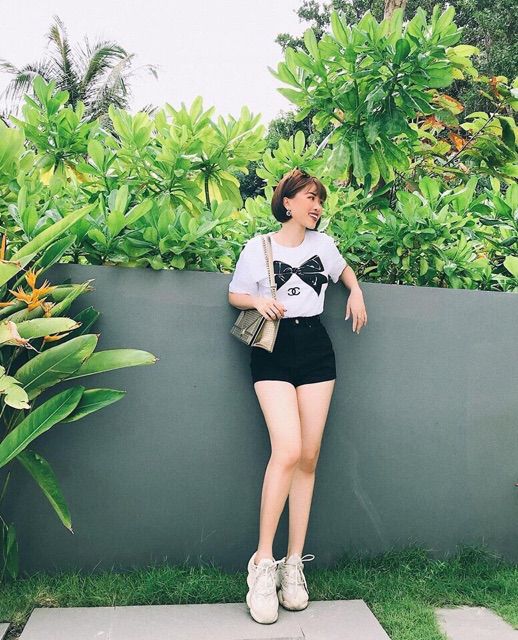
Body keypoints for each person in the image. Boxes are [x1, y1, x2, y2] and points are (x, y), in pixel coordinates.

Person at [228, 168, 367, 624]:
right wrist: (256, 301)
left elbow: (343, 270)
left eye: (320, 200)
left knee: (308, 456)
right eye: (310, 198)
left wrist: (355, 291)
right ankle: (262, 563)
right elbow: (235, 294)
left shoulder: (323, 246)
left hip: (316, 347)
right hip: (272, 348)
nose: (317, 206)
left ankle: (293, 565)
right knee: (286, 450)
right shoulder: (258, 247)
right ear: (287, 202)